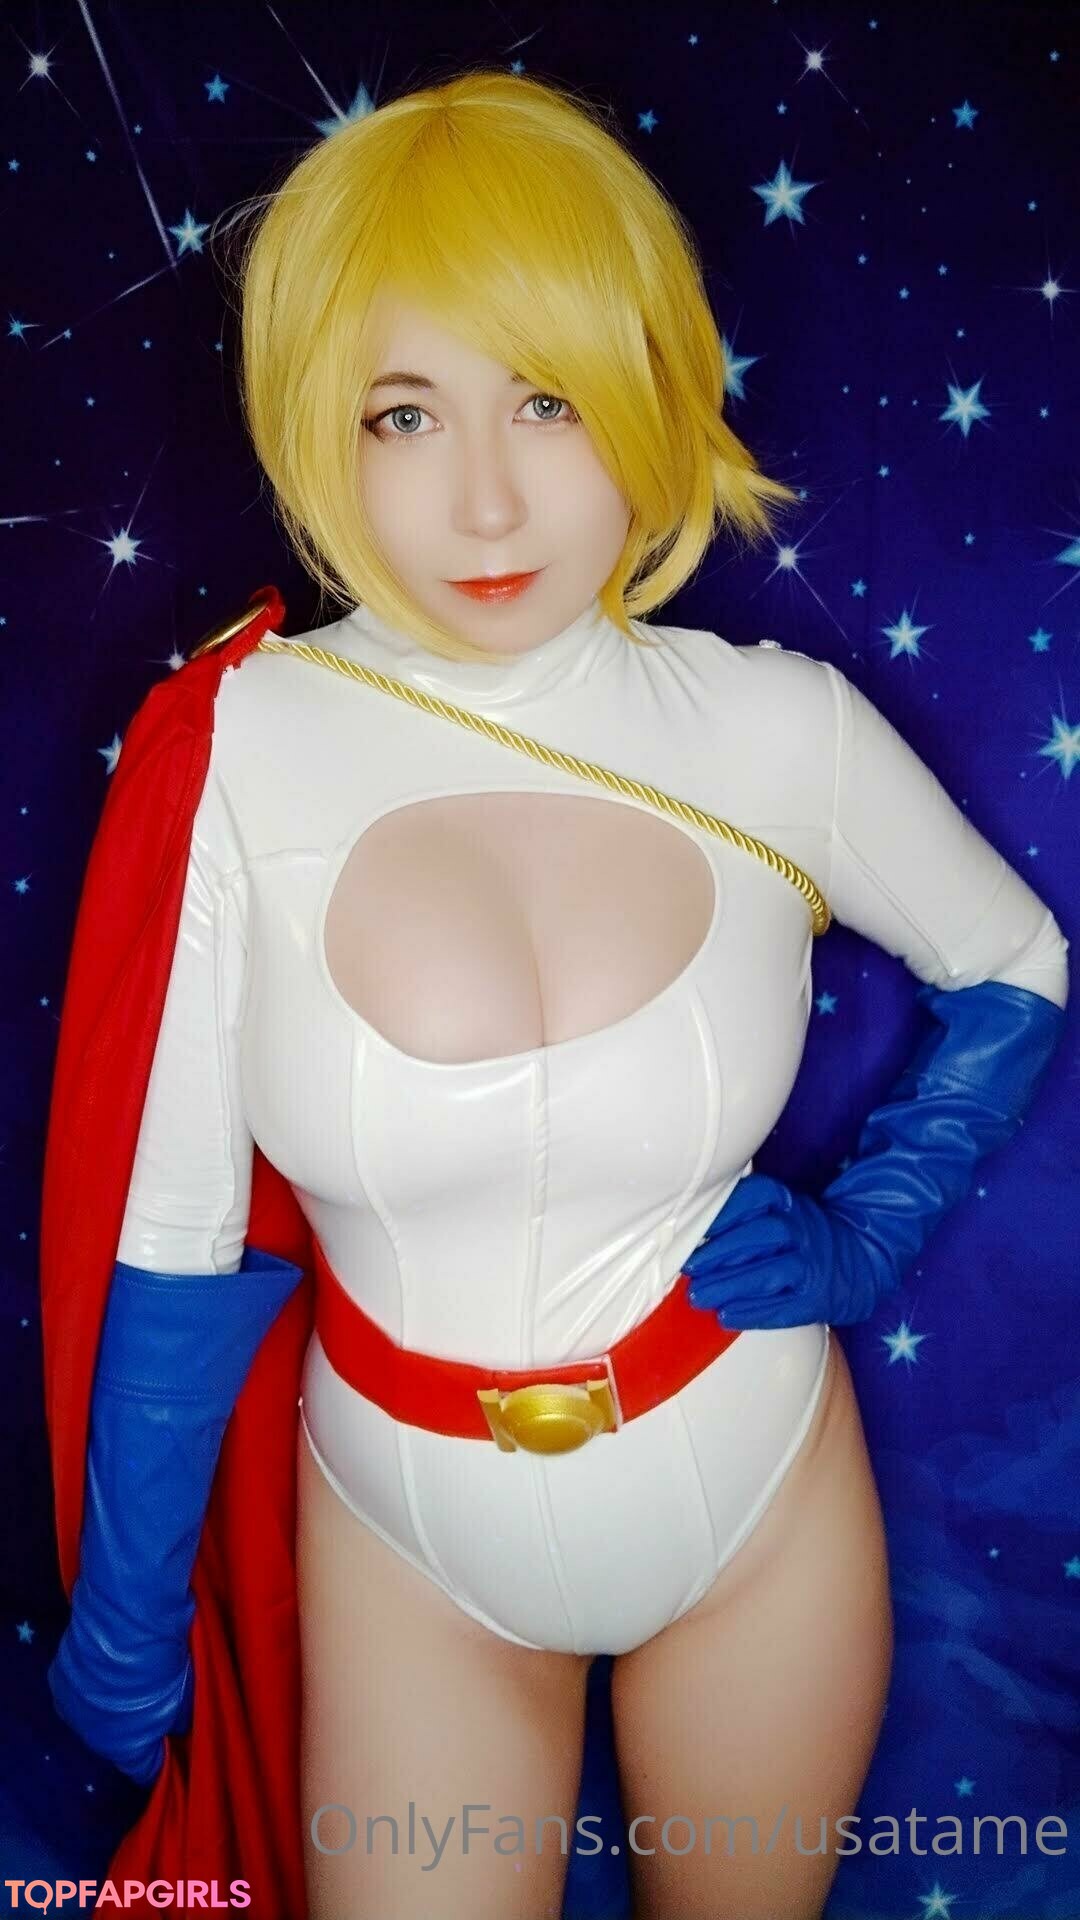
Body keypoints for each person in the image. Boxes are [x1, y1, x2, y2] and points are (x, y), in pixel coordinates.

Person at [40, 69, 1067, 1920]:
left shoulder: (779, 729)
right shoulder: (239, 748)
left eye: (549, 398)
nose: (488, 496)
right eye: (404, 413)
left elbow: (1016, 964)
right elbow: (178, 1235)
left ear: (649, 390)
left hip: (756, 1495)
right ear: (318, 429)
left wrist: (875, 1227)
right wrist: (125, 1616)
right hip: (403, 1541)